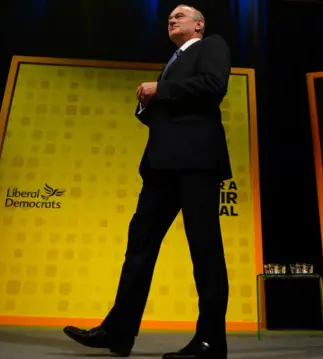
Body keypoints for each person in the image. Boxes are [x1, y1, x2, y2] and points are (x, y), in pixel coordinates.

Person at [63, 4, 232, 359]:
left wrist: (161, 90)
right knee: (138, 247)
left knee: (205, 251)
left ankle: (210, 341)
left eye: (180, 16)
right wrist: (145, 106)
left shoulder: (211, 45)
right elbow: (166, 114)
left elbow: (213, 86)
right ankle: (117, 332)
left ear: (198, 25)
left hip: (197, 163)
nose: (171, 19)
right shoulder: (171, 62)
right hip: (160, 167)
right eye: (169, 17)